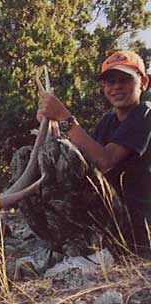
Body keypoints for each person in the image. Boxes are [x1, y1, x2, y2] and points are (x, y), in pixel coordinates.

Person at [37, 50, 151, 253]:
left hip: (137, 225)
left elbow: (106, 162)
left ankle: (91, 247)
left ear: (143, 83)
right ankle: (59, 242)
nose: (116, 86)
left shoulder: (146, 114)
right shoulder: (108, 122)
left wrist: (65, 117)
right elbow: (83, 158)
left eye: (125, 79)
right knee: (33, 154)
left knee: (58, 150)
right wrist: (54, 127)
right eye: (110, 81)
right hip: (111, 217)